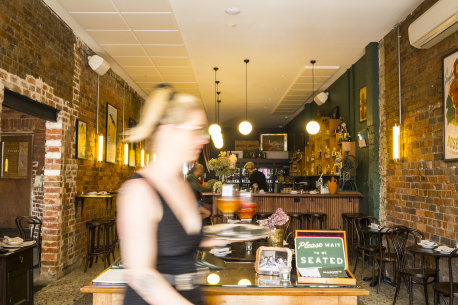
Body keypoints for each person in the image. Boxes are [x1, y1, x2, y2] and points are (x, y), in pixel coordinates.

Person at [117, 85, 225, 305]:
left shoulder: (183, 185)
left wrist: (225, 236)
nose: (204, 139)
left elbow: (176, 239)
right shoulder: (139, 191)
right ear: (167, 131)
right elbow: (142, 276)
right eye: (195, 130)